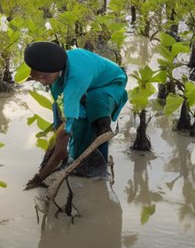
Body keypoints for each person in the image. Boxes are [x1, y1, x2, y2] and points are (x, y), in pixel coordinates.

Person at [23, 41, 128, 188]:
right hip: (89, 82)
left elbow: (70, 117)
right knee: (65, 110)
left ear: (53, 71)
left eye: (43, 78)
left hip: (110, 84)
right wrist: (59, 132)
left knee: (94, 106)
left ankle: (96, 166)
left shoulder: (76, 77)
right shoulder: (58, 66)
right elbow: (61, 105)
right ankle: (75, 155)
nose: (43, 83)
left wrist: (63, 134)